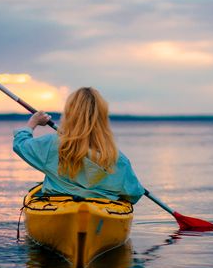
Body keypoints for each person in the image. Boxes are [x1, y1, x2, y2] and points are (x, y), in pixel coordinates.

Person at [12, 87, 144, 203]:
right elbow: (134, 194)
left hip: (59, 204)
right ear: (103, 118)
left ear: (69, 114)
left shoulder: (52, 145)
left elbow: (20, 144)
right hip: (102, 208)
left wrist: (32, 123)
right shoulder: (117, 158)